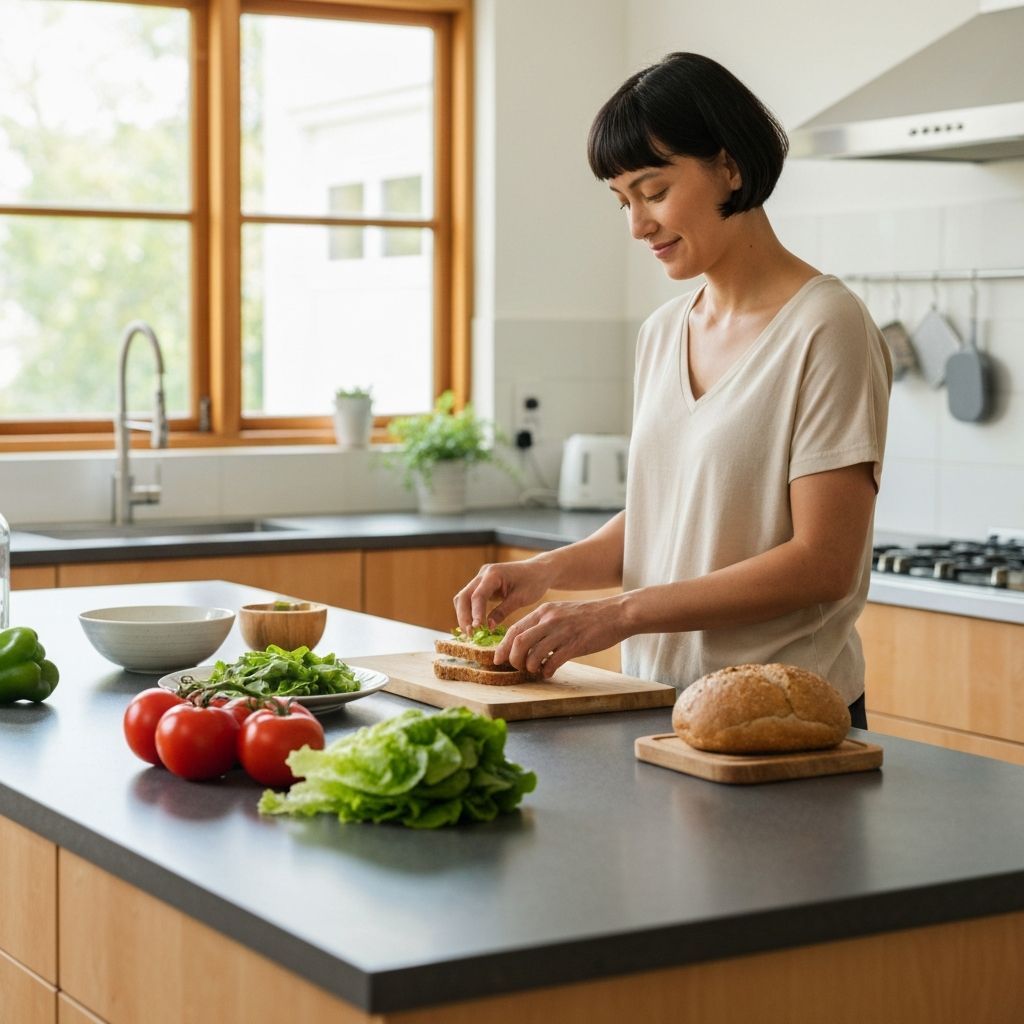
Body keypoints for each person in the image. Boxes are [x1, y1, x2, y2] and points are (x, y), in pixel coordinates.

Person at [454, 53, 891, 729]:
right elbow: (671, 519)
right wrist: (548, 571)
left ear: (731, 168)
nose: (637, 225)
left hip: (783, 719)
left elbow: (824, 562)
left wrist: (620, 613)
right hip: (657, 707)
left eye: (653, 192)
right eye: (622, 201)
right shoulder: (662, 333)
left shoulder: (827, 326)